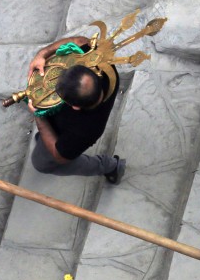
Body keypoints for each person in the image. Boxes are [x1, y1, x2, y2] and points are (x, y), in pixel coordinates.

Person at [25, 35, 126, 183]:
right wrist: (42, 54)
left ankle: (110, 166)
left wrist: (39, 117)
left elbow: (60, 155)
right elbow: (79, 41)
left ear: (75, 107)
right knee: (45, 141)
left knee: (41, 163)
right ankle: (43, 137)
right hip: (59, 124)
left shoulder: (85, 131)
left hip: (63, 137)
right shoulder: (97, 60)